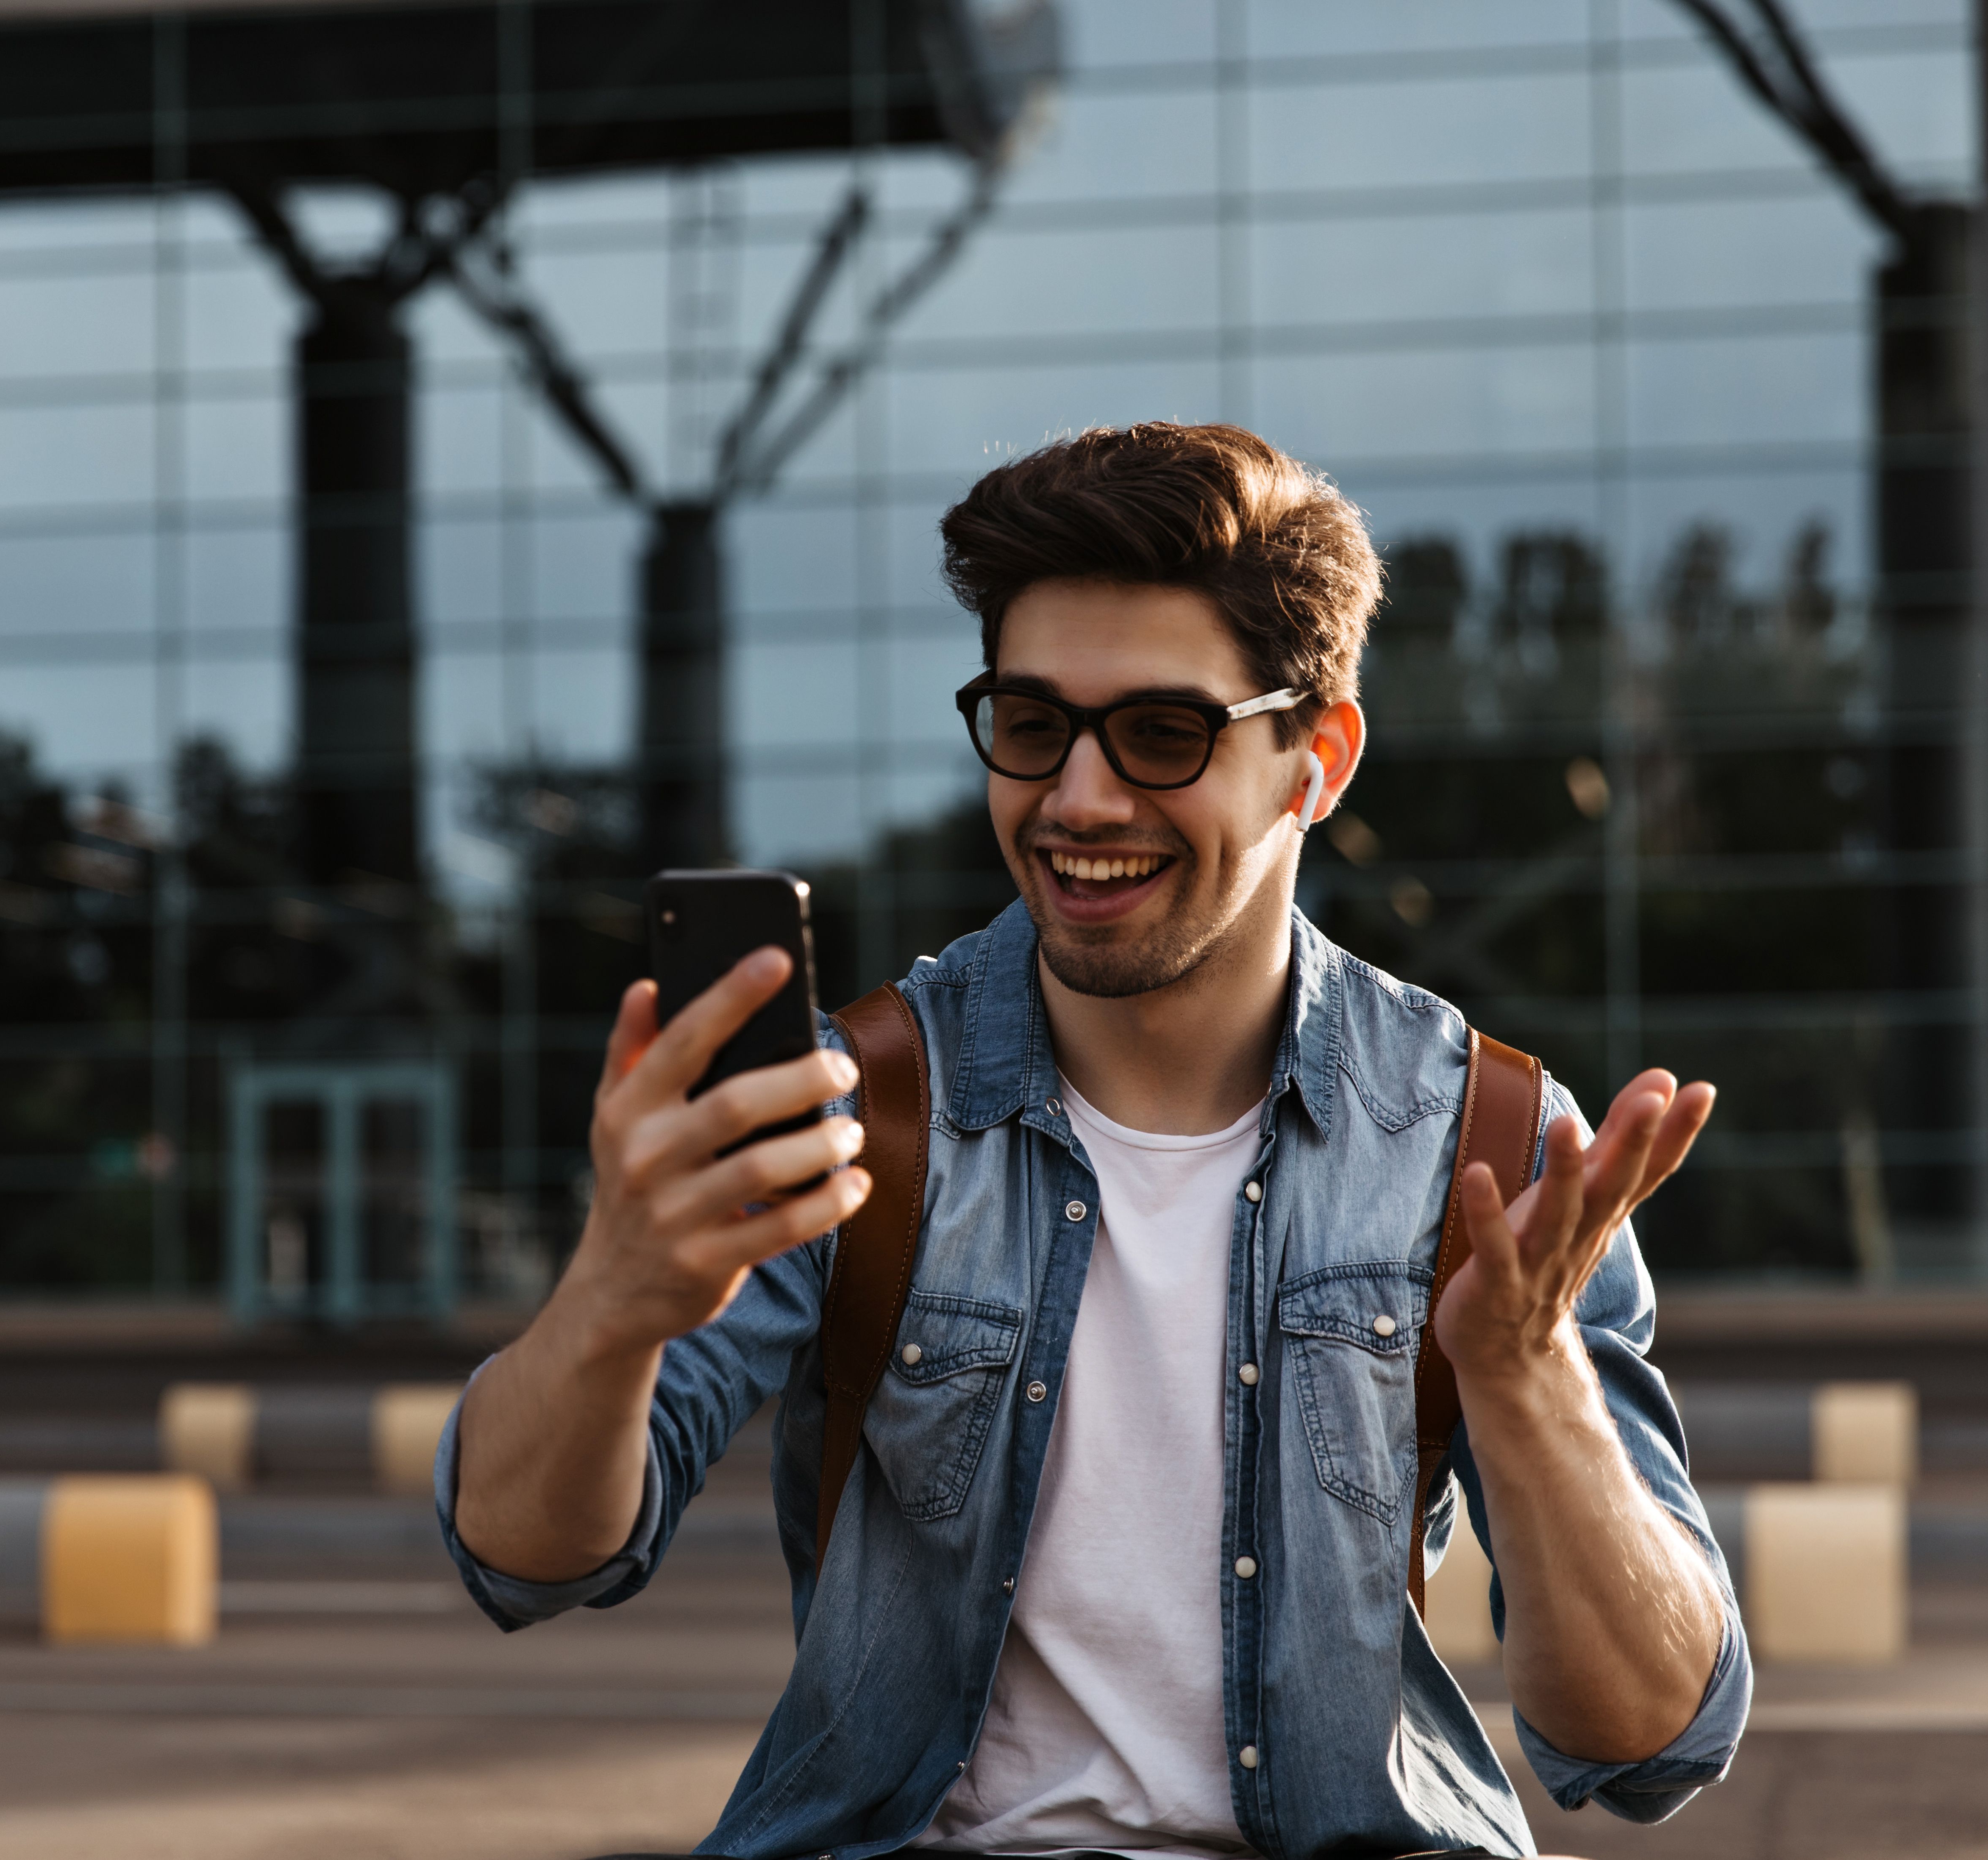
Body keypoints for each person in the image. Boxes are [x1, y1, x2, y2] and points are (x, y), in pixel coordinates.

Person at [442, 422, 1748, 1860]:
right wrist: (613, 1302)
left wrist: (1527, 1378)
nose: (1077, 799)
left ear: (1314, 759)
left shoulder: (1484, 1146)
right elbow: (521, 1561)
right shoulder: (855, 1111)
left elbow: (1650, 1744)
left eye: (1161, 733)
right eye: (1030, 723)